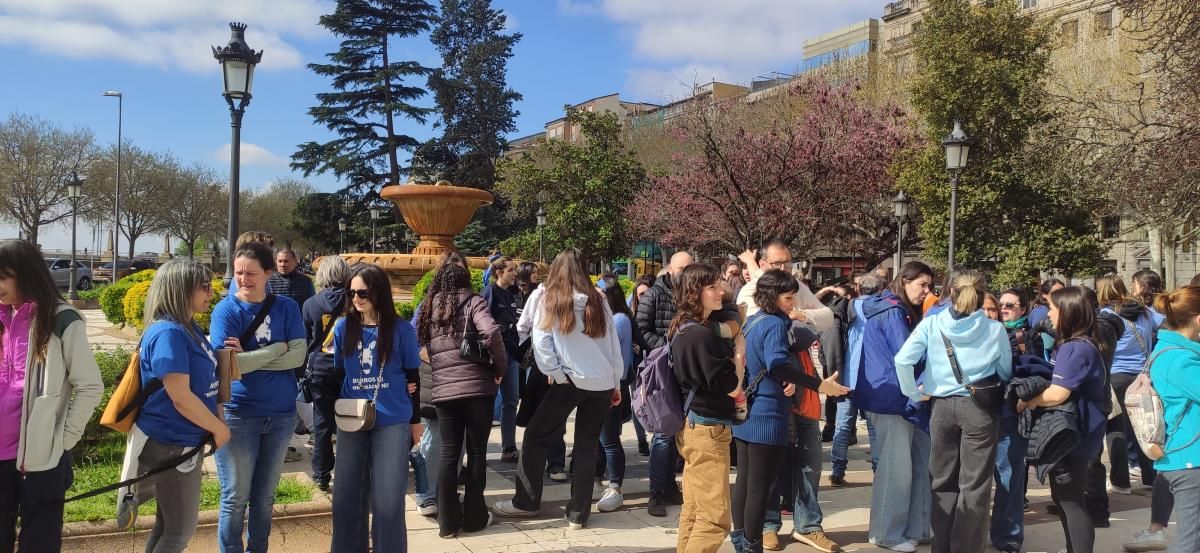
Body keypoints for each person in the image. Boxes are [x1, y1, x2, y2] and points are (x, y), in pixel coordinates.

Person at [493, 249, 623, 530]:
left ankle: (526, 502)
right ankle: (578, 514)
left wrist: (555, 373)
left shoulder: (549, 297)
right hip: (600, 381)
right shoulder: (599, 300)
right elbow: (613, 344)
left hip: (570, 380)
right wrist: (615, 381)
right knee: (587, 445)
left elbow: (540, 341)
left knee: (535, 435)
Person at [894, 270, 1011, 553]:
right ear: (982, 296)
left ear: (951, 294)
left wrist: (915, 393)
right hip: (979, 408)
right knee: (975, 485)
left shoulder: (933, 323)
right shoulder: (995, 330)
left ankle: (941, 547)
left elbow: (902, 360)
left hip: (942, 407)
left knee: (942, 482)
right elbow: (1005, 371)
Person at [0, 240, 103, 553]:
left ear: (26, 274)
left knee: (39, 543)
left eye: (3, 277)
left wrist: (63, 441)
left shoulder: (61, 320)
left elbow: (89, 386)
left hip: (41, 460)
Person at [209, 241, 307, 553]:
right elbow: (227, 365)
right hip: (239, 415)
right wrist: (279, 349)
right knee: (235, 496)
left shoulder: (286, 307)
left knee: (264, 497)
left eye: (250, 273)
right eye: (238, 272)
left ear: (267, 273)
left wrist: (250, 357)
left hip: (280, 415)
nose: (243, 279)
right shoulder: (225, 310)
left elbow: (299, 356)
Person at [743, 270, 849, 553]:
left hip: (793, 402)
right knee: (765, 476)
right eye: (788, 297)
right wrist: (819, 385)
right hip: (771, 406)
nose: (793, 302)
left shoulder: (773, 315)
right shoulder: (765, 318)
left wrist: (803, 316)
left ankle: (807, 526)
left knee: (807, 462)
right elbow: (775, 363)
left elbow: (824, 319)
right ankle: (763, 530)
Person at [330, 263, 422, 552]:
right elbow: (338, 373)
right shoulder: (343, 327)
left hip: (392, 419)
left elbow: (413, 375)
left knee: (388, 499)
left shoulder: (401, 330)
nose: (356, 298)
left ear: (379, 292)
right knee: (346, 494)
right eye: (352, 292)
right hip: (352, 417)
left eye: (363, 292)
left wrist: (415, 420)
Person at [417, 262, 507, 537]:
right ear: (466, 280)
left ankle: (448, 522)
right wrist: (499, 370)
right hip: (477, 389)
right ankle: (475, 516)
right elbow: (491, 333)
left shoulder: (430, 307)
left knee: (448, 453)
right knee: (477, 452)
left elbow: (422, 344)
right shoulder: (474, 301)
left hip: (444, 391)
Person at [1019, 286, 1107, 553]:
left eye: (1053, 308)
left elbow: (1057, 394)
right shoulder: (1082, 345)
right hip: (1081, 432)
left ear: (1068, 313)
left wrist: (1028, 400)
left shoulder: (1075, 349)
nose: (1049, 314)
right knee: (1066, 498)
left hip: (1073, 436)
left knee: (1071, 501)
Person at [855, 261, 934, 553]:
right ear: (905, 280)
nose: (926, 291)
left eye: (929, 286)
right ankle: (887, 533)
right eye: (921, 284)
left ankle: (915, 528)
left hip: (895, 396)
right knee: (896, 468)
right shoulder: (893, 311)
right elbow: (907, 355)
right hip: (893, 398)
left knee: (913, 463)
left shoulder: (892, 308)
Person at [671, 264, 740, 553]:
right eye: (711, 286)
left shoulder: (684, 327)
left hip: (693, 425)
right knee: (715, 519)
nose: (720, 291)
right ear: (694, 292)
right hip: (708, 429)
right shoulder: (701, 336)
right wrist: (738, 352)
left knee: (696, 509)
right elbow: (733, 386)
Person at [1142, 286, 1200, 553]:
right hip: (1190, 460)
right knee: (1191, 543)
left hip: (1181, 456)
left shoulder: (1166, 350)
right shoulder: (1182, 361)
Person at [636, 251, 694, 516]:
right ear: (670, 269)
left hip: (685, 373)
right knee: (662, 435)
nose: (685, 272)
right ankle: (656, 492)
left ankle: (670, 486)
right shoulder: (654, 295)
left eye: (689, 268)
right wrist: (670, 348)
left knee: (676, 434)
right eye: (681, 268)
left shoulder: (692, 293)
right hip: (662, 372)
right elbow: (642, 330)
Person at [990, 288, 1046, 552]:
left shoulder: (1026, 335)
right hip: (983, 411)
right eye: (998, 305)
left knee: (1010, 475)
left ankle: (1008, 535)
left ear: (1023, 309)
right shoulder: (984, 334)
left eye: (1009, 305)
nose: (1003, 309)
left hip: (1011, 412)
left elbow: (1036, 371)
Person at [1097, 274, 1162, 493]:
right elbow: (1160, 326)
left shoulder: (1106, 314)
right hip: (1143, 375)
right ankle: (1150, 477)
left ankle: (1120, 481)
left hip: (1116, 375)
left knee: (1116, 429)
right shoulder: (1144, 311)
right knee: (1145, 427)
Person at [300, 255, 350, 492]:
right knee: (351, 421)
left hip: (320, 368)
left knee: (322, 423)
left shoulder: (311, 304)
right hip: (349, 368)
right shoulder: (354, 300)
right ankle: (351, 468)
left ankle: (321, 473)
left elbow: (306, 339)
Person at [830, 273, 885, 487]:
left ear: (859, 288)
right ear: (879, 290)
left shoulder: (848, 307)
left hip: (846, 376)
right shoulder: (883, 310)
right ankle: (879, 471)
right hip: (872, 379)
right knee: (873, 428)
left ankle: (837, 470)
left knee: (843, 426)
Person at [593, 282, 636, 513]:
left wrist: (616, 385)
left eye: (599, 293)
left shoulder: (618, 320)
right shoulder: (603, 319)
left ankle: (615, 486)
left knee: (609, 439)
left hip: (611, 385)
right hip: (596, 385)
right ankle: (598, 477)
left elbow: (620, 358)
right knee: (599, 439)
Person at [482, 256, 522, 463]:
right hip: (495, 356)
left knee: (511, 401)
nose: (514, 274)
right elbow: (484, 325)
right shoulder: (490, 292)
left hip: (512, 354)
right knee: (488, 403)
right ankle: (480, 448)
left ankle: (509, 447)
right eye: (511, 270)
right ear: (499, 273)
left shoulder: (511, 294)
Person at [628, 273, 656, 456]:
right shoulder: (631, 315)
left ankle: (656, 438)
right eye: (640, 295)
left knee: (655, 401)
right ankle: (641, 440)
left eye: (647, 293)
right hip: (638, 364)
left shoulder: (659, 314)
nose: (644, 298)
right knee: (638, 402)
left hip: (655, 362)